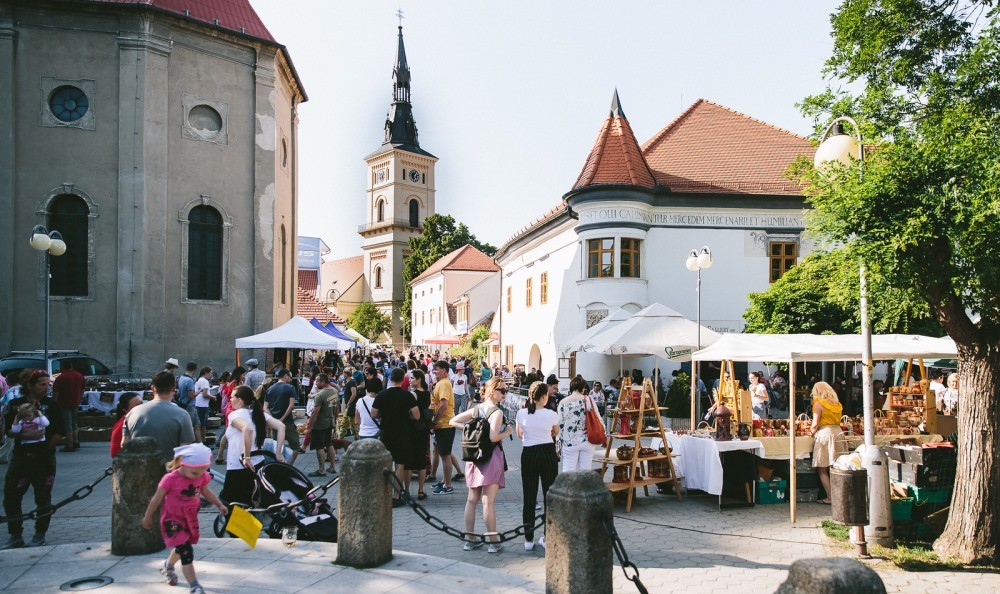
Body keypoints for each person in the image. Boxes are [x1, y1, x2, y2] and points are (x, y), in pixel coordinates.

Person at [142, 443, 226, 594]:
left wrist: (219, 504)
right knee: (186, 550)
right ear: (182, 463)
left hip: (190, 518)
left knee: (181, 546)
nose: (199, 476)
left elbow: (206, 492)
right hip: (172, 520)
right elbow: (156, 499)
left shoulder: (200, 475)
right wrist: (148, 517)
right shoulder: (170, 479)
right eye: (195, 473)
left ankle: (168, 565)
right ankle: (194, 586)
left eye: (202, 472)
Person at [449, 376, 514, 553]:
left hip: (474, 458)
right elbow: (493, 437)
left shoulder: (477, 408)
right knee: (488, 502)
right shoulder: (497, 412)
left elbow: (453, 421)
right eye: (502, 391)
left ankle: (469, 540)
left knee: (472, 500)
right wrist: (507, 432)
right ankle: (493, 542)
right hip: (491, 457)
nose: (505, 394)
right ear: (493, 391)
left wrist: (472, 430)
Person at [1, 370, 64, 549]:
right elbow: (8, 429)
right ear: (30, 385)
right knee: (11, 496)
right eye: (42, 384)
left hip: (44, 459)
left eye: (47, 384)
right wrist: (23, 433)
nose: (46, 388)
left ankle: (39, 534)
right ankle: (15, 535)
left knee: (42, 497)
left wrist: (46, 447)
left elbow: (60, 430)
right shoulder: (16, 404)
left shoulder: (51, 405)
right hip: (21, 458)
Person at [220, 386, 285, 505]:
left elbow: (247, 429)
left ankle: (244, 524)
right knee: (251, 503)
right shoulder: (258, 414)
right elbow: (281, 426)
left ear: (240, 400)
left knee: (234, 504)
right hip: (258, 464)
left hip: (239, 466)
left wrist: (247, 457)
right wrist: (278, 452)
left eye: (232, 397)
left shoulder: (234, 415)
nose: (230, 400)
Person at [516, 381, 559, 551]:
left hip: (529, 454)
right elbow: (556, 432)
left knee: (529, 497)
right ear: (543, 397)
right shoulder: (551, 413)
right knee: (549, 496)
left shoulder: (521, 413)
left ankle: (528, 539)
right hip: (547, 453)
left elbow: (520, 434)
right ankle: (548, 537)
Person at [372, 367, 420, 506]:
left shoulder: (381, 395)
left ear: (391, 378)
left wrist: (384, 414)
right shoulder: (407, 396)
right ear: (403, 379)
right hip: (403, 432)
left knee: (385, 463)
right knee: (400, 464)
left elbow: (373, 414)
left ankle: (384, 493)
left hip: (386, 431)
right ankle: (396, 495)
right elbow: (416, 416)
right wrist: (407, 415)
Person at [123, 371, 196, 462]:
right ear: (174, 389)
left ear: (152, 389)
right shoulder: (183, 415)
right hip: (168, 472)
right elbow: (185, 450)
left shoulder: (132, 412)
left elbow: (124, 444)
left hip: (138, 470)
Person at [810, 381, 844, 505]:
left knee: (822, 468)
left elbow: (815, 424)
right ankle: (840, 494)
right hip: (838, 433)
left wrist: (811, 432)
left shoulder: (818, 404)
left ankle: (830, 497)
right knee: (837, 466)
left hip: (825, 433)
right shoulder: (837, 404)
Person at [430, 360, 460, 495]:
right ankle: (443, 481)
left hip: (445, 424)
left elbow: (443, 405)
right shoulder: (441, 383)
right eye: (434, 369)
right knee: (442, 454)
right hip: (442, 424)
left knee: (445, 455)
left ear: (444, 371)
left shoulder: (444, 384)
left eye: (437, 369)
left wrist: (434, 422)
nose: (434, 372)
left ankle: (448, 485)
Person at [557, 375, 594, 473]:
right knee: (585, 473)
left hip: (569, 441)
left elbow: (560, 425)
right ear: (583, 388)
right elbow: (598, 418)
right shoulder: (588, 400)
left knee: (568, 472)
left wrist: (558, 444)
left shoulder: (563, 402)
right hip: (587, 440)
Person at [304, 373, 338, 477]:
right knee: (329, 443)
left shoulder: (320, 395)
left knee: (319, 446)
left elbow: (315, 412)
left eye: (317, 381)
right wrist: (335, 421)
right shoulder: (334, 391)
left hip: (319, 424)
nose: (316, 383)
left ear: (323, 382)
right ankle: (332, 467)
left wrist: (310, 426)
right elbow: (336, 408)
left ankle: (322, 470)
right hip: (329, 421)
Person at [264, 369, 300, 463]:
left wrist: (272, 419)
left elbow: (265, 408)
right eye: (290, 377)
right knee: (296, 445)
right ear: (286, 376)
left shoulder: (269, 389)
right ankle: (288, 466)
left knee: (276, 446)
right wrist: (282, 419)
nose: (290, 379)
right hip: (287, 422)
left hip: (274, 423)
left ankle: (278, 466)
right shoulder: (290, 388)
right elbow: (291, 405)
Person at [214, 367, 245, 465]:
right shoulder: (236, 384)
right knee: (232, 433)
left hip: (230, 409)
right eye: (243, 375)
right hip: (234, 409)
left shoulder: (230, 383)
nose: (244, 377)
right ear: (239, 374)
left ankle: (220, 455)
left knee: (228, 433)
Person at [409, 369, 432, 500]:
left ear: (419, 380)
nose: (410, 380)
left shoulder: (413, 394)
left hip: (414, 428)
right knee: (423, 458)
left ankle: (406, 489)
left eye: (412, 378)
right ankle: (421, 489)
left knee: (411, 459)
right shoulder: (428, 393)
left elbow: (410, 412)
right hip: (425, 428)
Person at [52, 364, 84, 451]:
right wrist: (79, 398)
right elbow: (83, 389)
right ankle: (76, 441)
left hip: (64, 403)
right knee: (74, 422)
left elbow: (56, 393)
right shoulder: (79, 375)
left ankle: (70, 444)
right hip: (76, 402)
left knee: (67, 423)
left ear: (62, 367)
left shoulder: (60, 377)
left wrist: (53, 403)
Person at [110, 392, 143, 458]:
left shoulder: (131, 420)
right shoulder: (123, 424)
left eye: (141, 404)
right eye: (136, 406)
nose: (141, 407)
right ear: (125, 410)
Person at [177, 362, 201, 442]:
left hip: (188, 405)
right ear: (194, 370)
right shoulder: (189, 380)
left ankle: (200, 444)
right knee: (189, 427)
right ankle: (189, 445)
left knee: (197, 425)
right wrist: (199, 391)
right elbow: (191, 395)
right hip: (189, 406)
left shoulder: (181, 377)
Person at [193, 367, 215, 441]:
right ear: (206, 373)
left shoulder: (199, 380)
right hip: (202, 405)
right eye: (210, 373)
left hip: (198, 404)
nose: (211, 375)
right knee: (202, 424)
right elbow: (205, 395)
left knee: (201, 424)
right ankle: (202, 441)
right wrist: (213, 397)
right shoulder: (205, 381)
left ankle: (202, 440)